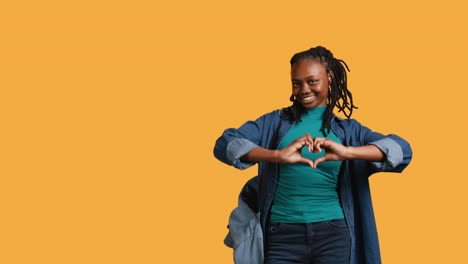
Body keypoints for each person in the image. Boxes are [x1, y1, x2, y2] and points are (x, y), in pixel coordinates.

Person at [214, 46, 412, 264]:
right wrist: (277, 156)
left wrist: (347, 152)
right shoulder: (273, 123)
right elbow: (225, 143)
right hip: (281, 234)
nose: (304, 89)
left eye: (312, 81)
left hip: (334, 233)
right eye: (297, 83)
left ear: (330, 77)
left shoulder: (349, 131)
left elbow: (401, 150)